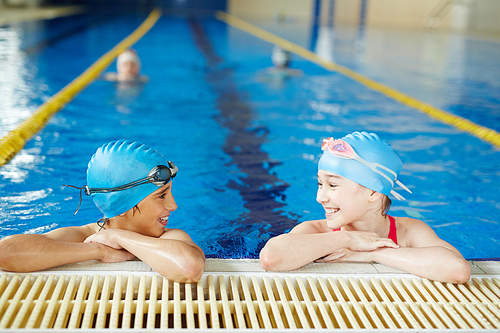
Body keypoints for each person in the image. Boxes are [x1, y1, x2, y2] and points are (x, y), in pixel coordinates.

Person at [260, 131, 471, 283]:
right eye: (320, 184)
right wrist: (348, 238)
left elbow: (458, 270)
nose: (320, 197)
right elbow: (271, 258)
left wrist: (374, 254)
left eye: (332, 185)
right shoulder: (317, 232)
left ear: (373, 192)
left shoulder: (408, 232)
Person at [0, 140, 205, 282]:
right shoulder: (86, 236)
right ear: (121, 205)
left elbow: (189, 267)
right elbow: (6, 252)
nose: (173, 205)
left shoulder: (170, 238)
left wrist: (119, 237)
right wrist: (100, 251)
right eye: (161, 195)